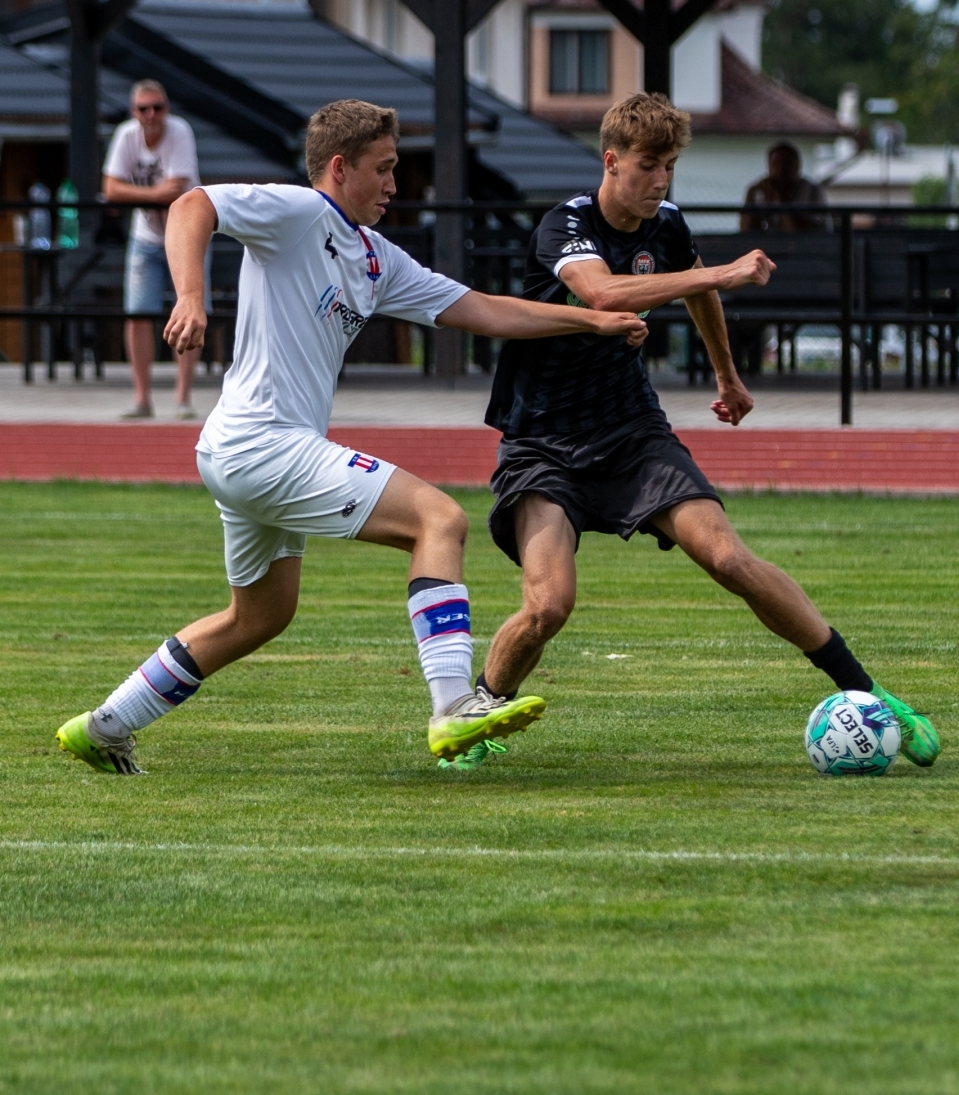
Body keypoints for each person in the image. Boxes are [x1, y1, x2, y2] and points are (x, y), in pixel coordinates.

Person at [54, 100, 650, 775]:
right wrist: (191, 295)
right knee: (439, 520)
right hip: (263, 443)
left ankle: (104, 725)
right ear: (340, 168)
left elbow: (483, 310)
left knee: (260, 616)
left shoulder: (374, 257)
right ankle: (453, 705)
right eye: (384, 168)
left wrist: (591, 320)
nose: (395, 184)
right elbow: (191, 205)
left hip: (245, 451)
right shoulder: (300, 212)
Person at [467, 93, 939, 772]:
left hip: (631, 431)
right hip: (542, 441)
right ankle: (479, 714)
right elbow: (603, 293)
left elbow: (696, 292)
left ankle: (872, 695)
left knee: (728, 559)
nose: (661, 181)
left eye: (670, 167)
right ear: (612, 161)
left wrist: (727, 374)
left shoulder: (667, 225)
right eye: (649, 166)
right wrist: (724, 269)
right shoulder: (564, 224)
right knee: (549, 605)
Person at [106, 79, 209, 420]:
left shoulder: (180, 132)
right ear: (133, 112)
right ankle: (141, 398)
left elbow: (177, 188)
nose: (151, 115)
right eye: (143, 108)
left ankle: (182, 397)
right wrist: (154, 194)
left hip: (187, 235)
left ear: (167, 108)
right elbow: (110, 188)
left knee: (190, 311)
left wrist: (134, 194)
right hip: (146, 236)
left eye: (157, 107)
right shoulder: (125, 135)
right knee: (138, 314)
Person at [740, 141, 826, 232]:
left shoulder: (811, 190)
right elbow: (745, 231)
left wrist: (780, 200)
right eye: (775, 164)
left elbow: (799, 234)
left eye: (786, 164)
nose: (781, 170)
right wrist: (751, 195)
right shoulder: (762, 191)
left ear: (797, 166)